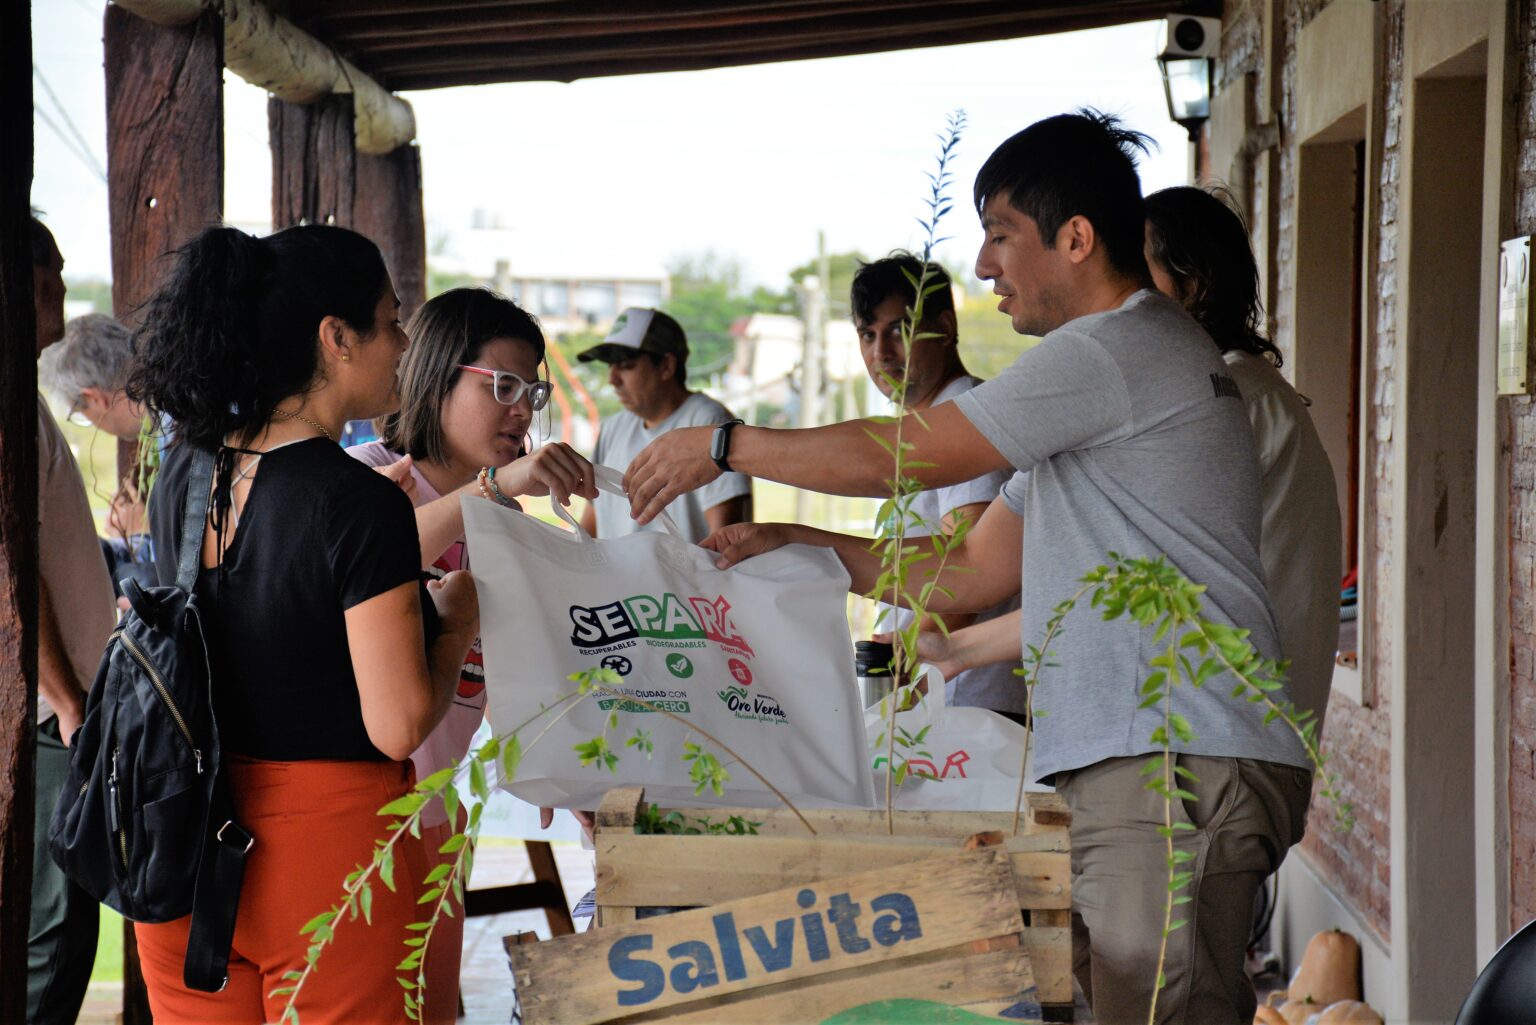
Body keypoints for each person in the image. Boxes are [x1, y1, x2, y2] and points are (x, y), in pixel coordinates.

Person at [622, 111, 1313, 1024]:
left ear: (1075, 239)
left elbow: (899, 455)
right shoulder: (1105, 378)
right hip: (1146, 758)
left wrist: (724, 443)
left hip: (1175, 760)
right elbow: (968, 572)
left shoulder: (1116, 347)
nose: (984, 266)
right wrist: (803, 543)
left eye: (999, 236)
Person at [126, 224, 479, 1025]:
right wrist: (454, 619)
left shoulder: (186, 467)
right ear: (336, 337)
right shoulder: (357, 502)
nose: (403, 342)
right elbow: (398, 725)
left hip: (179, 824)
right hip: (327, 849)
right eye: (392, 321)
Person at [850, 253, 1022, 718]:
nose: (881, 353)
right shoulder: (923, 425)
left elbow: (966, 566)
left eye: (899, 330)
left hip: (968, 703)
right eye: (868, 335)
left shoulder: (963, 415)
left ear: (944, 327)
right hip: (938, 695)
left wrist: (909, 668)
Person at [27, 217, 115, 1025]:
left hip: (60, 701)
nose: (57, 283)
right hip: (46, 711)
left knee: (64, 922)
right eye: (43, 268)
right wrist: (64, 695)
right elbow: (14, 574)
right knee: (51, 935)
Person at [576, 307, 750, 542]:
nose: (612, 378)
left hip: (684, 580)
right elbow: (589, 527)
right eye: (610, 365)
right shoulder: (613, 428)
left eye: (626, 365)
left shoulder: (709, 424)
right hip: (615, 578)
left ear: (666, 366)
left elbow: (727, 540)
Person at [39, 312, 156, 596]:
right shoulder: (163, 421)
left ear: (94, 398)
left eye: (81, 412)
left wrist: (150, 526)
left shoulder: (174, 428)